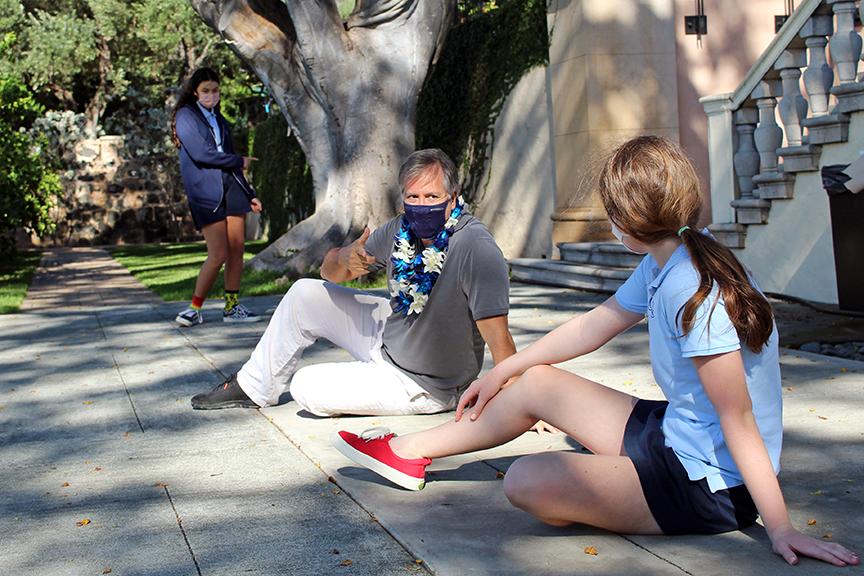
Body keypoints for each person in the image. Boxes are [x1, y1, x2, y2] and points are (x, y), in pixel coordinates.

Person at [331, 136, 860, 567]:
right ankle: (406, 452)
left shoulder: (693, 289)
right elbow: (593, 325)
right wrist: (506, 370)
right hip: (677, 433)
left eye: (610, 213)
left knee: (528, 482)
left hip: (713, 484)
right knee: (536, 381)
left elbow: (739, 417)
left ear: (628, 223)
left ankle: (616, 486)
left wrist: (781, 526)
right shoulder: (672, 253)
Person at [190, 148, 518, 418]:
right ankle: (254, 386)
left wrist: (523, 404)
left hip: (425, 384)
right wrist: (345, 256)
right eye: (412, 197)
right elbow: (329, 274)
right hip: (390, 339)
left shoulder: (474, 246)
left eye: (432, 195)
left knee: (306, 386)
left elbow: (499, 339)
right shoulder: (401, 228)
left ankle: (376, 382)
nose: (420, 205)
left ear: (453, 198)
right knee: (304, 292)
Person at [170, 67, 263, 326]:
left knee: (237, 250)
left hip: (232, 188)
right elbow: (201, 154)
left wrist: (249, 194)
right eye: (206, 91)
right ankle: (193, 308)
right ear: (195, 92)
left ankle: (231, 308)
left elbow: (232, 162)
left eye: (215, 90)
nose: (212, 95)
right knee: (218, 253)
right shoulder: (185, 116)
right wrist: (239, 160)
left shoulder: (218, 119)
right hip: (205, 192)